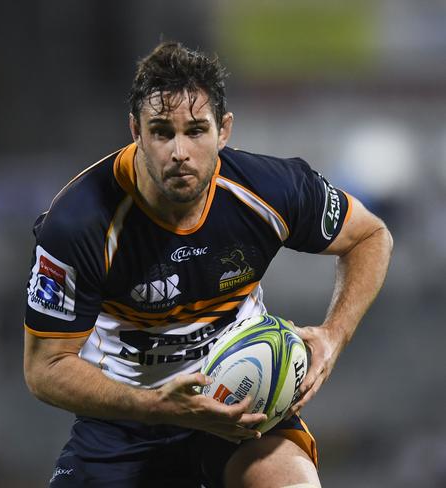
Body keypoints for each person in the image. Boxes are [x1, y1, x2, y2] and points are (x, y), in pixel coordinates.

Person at [23, 41, 393, 488]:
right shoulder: (79, 223)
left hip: (244, 405)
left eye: (196, 130)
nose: (180, 151)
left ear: (224, 130)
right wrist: (158, 404)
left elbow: (372, 236)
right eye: (162, 131)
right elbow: (44, 368)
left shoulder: (270, 190)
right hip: (124, 424)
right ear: (135, 132)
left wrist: (334, 336)